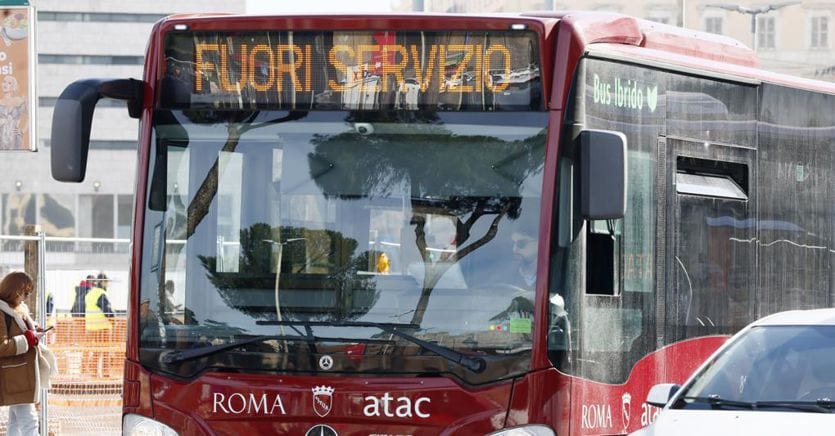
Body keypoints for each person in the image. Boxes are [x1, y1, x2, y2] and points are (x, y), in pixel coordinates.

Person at [0, 271, 48, 436]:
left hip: (21, 375)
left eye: (29, 293)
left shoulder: (19, 309)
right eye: (25, 292)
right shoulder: (1, 311)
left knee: (16, 422)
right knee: (29, 422)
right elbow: (2, 346)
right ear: (14, 290)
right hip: (15, 376)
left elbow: (22, 329)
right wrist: (28, 339)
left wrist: (35, 330)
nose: (27, 297)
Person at [85, 272, 114, 337]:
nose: (107, 284)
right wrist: (114, 321)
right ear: (102, 282)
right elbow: (107, 310)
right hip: (101, 328)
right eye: (106, 282)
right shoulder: (100, 293)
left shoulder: (90, 293)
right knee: (104, 346)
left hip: (90, 327)